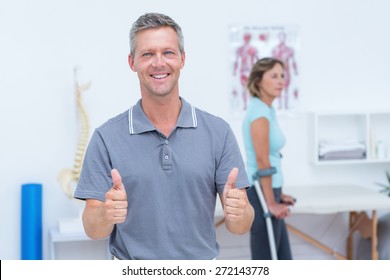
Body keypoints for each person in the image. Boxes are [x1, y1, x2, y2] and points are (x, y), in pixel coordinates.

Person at [74, 13, 254, 260]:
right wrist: (105, 214)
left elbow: (240, 226)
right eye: (147, 54)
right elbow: (92, 229)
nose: (159, 63)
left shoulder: (218, 132)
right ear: (132, 62)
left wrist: (240, 212)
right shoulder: (106, 138)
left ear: (182, 58)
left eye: (168, 52)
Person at [242, 57, 295, 259]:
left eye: (282, 75)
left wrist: (278, 194)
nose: (280, 80)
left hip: (270, 190)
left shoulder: (267, 110)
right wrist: (271, 202)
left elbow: (272, 156)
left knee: (283, 259)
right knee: (268, 261)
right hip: (261, 194)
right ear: (258, 82)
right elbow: (263, 161)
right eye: (273, 76)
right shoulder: (259, 114)